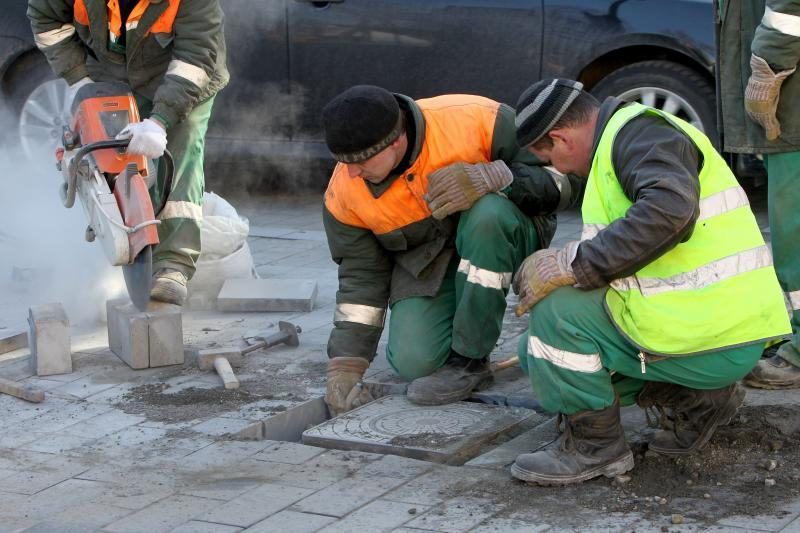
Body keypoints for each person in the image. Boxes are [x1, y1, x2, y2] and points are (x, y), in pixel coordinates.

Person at [508, 78, 791, 485]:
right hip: (717, 330)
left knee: (556, 314)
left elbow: (669, 211)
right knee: (535, 348)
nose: (559, 170)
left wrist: (573, 264)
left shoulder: (639, 135)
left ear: (561, 138)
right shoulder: (629, 137)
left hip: (712, 335)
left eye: (549, 157)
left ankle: (596, 449)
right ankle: (699, 401)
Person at [321, 85, 577, 416]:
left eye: (360, 161)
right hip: (431, 261)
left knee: (487, 216)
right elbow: (361, 279)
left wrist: (498, 176)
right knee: (414, 362)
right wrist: (346, 363)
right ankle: (458, 322)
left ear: (396, 140)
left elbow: (566, 181)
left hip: (506, 235)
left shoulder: (477, 120)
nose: (352, 172)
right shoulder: (344, 195)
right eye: (343, 161)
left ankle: (469, 360)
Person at [28, 0, 229, 305]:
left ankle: (173, 265)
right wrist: (79, 79)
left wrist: (159, 122)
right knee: (104, 161)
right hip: (106, 74)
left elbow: (196, 58)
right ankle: (112, 244)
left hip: (181, 77)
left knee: (181, 152)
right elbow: (46, 21)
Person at [718, 0, 800, 388]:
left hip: (794, 102)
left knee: (795, 230)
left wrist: (768, 66)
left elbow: (787, 9)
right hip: (790, 101)